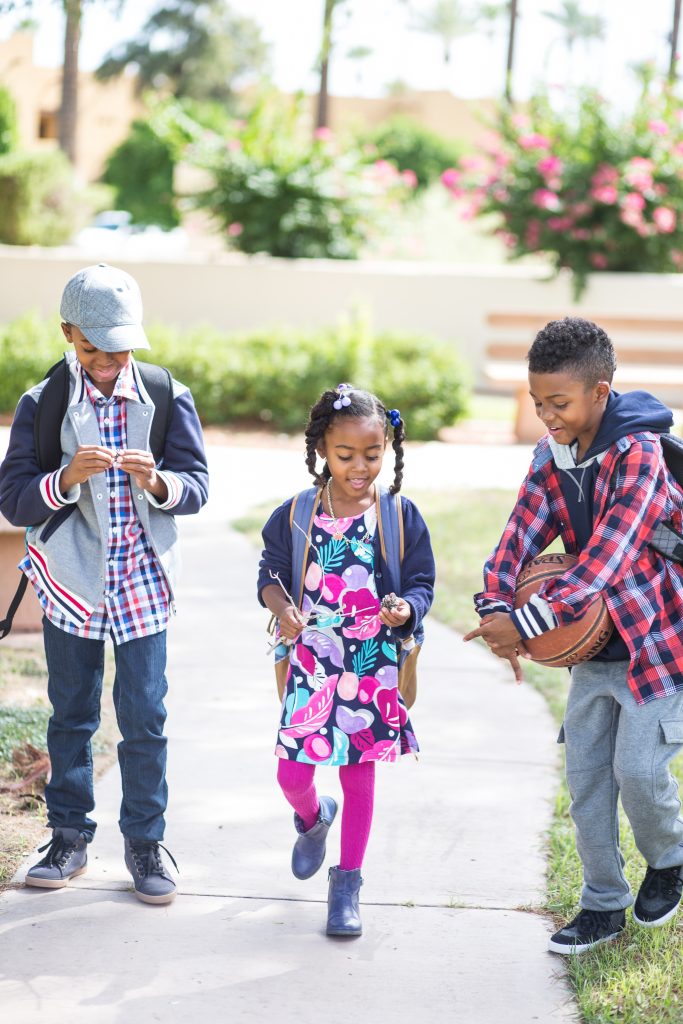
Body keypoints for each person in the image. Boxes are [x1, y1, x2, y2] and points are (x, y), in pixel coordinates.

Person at [465, 317, 683, 954]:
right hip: (591, 652)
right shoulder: (549, 458)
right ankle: (601, 905)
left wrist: (527, 622)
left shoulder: (639, 454)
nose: (547, 416)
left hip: (656, 648)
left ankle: (670, 859)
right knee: (587, 781)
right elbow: (516, 541)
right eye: (538, 403)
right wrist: (494, 610)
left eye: (558, 403)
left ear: (600, 392)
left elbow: (604, 563)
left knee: (639, 773)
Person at [0, 263, 209, 905]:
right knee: (72, 716)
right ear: (68, 334)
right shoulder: (45, 405)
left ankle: (146, 845)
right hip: (72, 581)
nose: (110, 361)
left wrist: (159, 483)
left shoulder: (165, 395)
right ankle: (68, 837)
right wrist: (63, 479)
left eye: (121, 348)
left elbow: (196, 488)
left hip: (143, 580)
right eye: (95, 348)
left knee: (145, 716)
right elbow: (13, 501)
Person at [258, 383, 435, 936]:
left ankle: (348, 883)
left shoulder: (399, 515)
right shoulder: (296, 514)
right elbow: (269, 573)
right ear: (321, 452)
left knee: (359, 778)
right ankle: (312, 820)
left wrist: (406, 608)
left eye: (372, 454)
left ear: (387, 449)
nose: (360, 467)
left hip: (371, 664)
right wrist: (283, 606)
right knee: (293, 773)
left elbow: (424, 582)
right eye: (345, 455)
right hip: (313, 659)